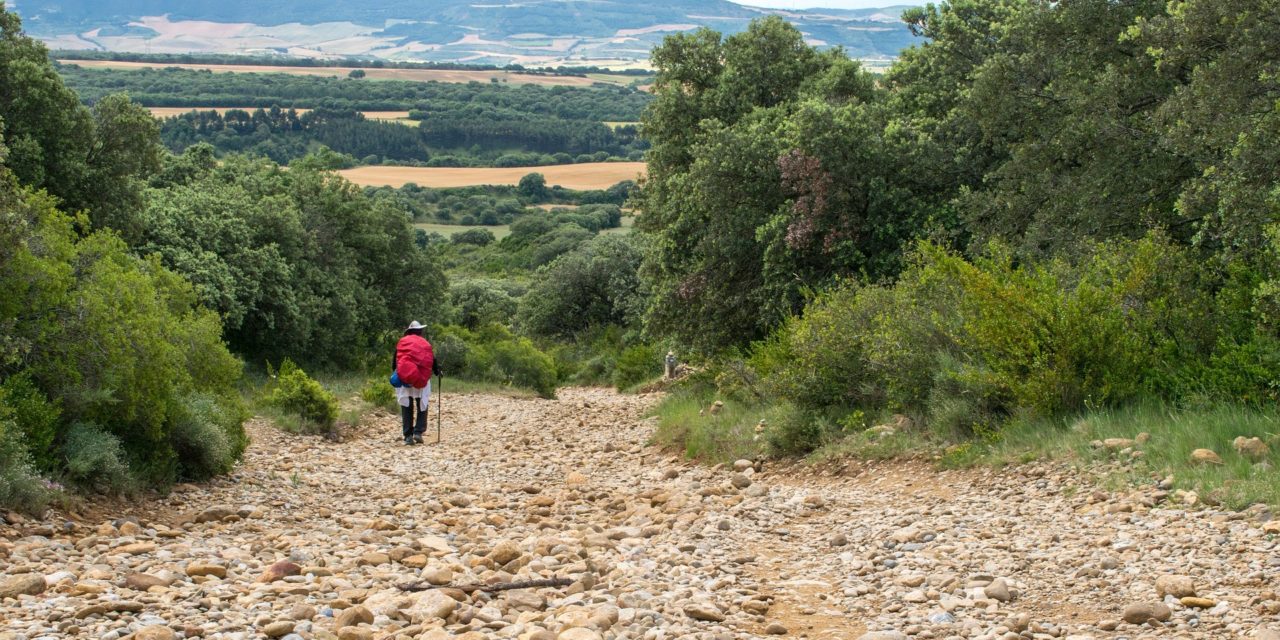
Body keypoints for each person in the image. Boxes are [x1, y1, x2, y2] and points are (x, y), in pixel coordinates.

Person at [393, 321, 442, 445]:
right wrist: (438, 372)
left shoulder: (403, 342)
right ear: (420, 332)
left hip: (405, 379)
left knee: (406, 406)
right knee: (422, 405)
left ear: (409, 331)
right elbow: (432, 360)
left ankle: (408, 435)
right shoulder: (424, 344)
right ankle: (418, 432)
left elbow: (396, 360)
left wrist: (399, 373)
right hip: (421, 379)